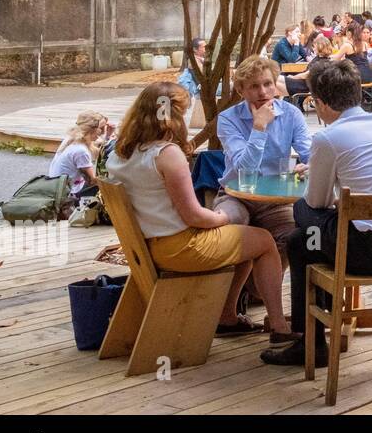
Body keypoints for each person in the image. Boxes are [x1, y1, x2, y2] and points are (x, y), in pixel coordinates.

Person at [260, 59, 372, 368]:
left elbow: (317, 204)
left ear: (321, 103)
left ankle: (311, 341)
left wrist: (320, 182)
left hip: (371, 255)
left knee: (302, 233)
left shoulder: (327, 138)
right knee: (313, 237)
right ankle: (316, 333)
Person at [108, 82, 293, 342]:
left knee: (244, 238)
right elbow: (194, 216)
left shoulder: (118, 153)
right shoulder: (167, 154)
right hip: (181, 248)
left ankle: (228, 317)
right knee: (263, 239)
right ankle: (279, 327)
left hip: (149, 245)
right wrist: (222, 217)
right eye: (182, 112)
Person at [215, 57, 312, 264]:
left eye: (268, 84)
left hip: (275, 200)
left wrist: (310, 167)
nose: (262, 92)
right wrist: (259, 127)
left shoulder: (291, 114)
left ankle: (256, 292)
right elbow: (244, 168)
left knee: (294, 237)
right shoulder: (228, 118)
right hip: (236, 195)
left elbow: (310, 154)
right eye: (254, 86)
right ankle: (240, 290)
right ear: (241, 90)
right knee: (225, 231)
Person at [49, 110, 113, 198]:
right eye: (100, 129)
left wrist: (108, 136)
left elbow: (96, 149)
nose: (101, 133)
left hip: (57, 185)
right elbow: (92, 180)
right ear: (93, 130)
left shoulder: (72, 139)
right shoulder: (81, 151)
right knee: (103, 188)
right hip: (67, 192)